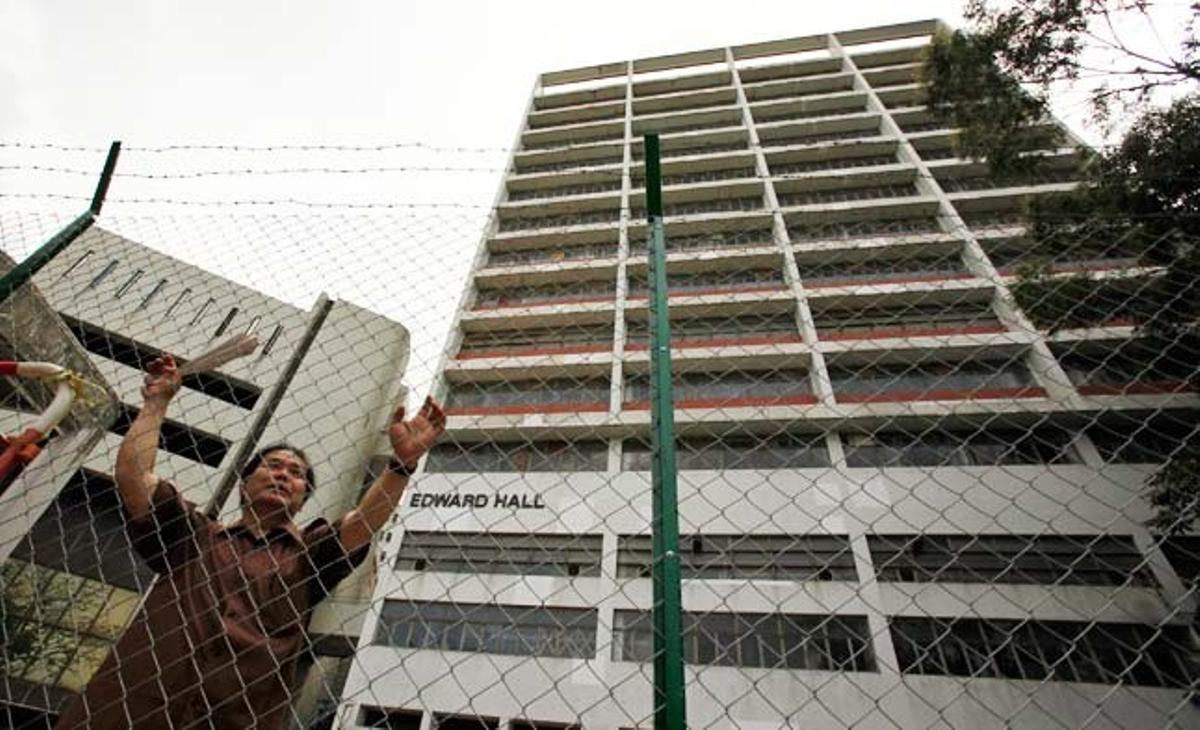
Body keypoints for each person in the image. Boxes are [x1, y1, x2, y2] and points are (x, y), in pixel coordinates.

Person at [55, 355, 446, 728]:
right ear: (245, 482)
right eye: (273, 465)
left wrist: (402, 465)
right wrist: (157, 401)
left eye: (295, 474)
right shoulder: (193, 536)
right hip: (126, 712)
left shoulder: (310, 556)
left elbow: (363, 522)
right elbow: (135, 478)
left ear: (302, 497)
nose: (282, 475)